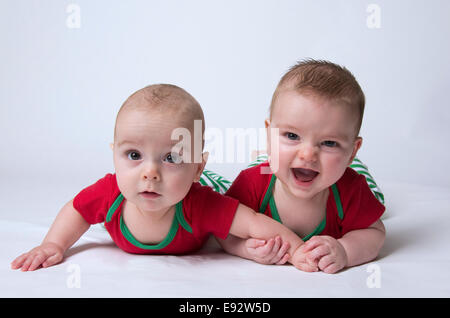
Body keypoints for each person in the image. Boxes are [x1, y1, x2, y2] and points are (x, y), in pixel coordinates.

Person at [11, 84, 316, 272]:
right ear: (114, 155)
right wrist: (54, 244)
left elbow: (252, 222)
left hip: (208, 187)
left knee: (240, 194)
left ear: (197, 168)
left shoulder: (201, 202)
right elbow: (77, 210)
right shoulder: (110, 192)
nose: (150, 173)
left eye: (171, 158)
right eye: (133, 155)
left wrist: (297, 249)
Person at [218, 59, 386, 274]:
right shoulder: (252, 182)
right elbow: (224, 228)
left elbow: (374, 232)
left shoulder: (351, 188)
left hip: (343, 172)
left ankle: (353, 162)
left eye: (329, 143)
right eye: (292, 135)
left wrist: (345, 250)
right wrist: (243, 248)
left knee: (374, 195)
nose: (308, 154)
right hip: (269, 166)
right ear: (269, 134)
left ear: (353, 151)